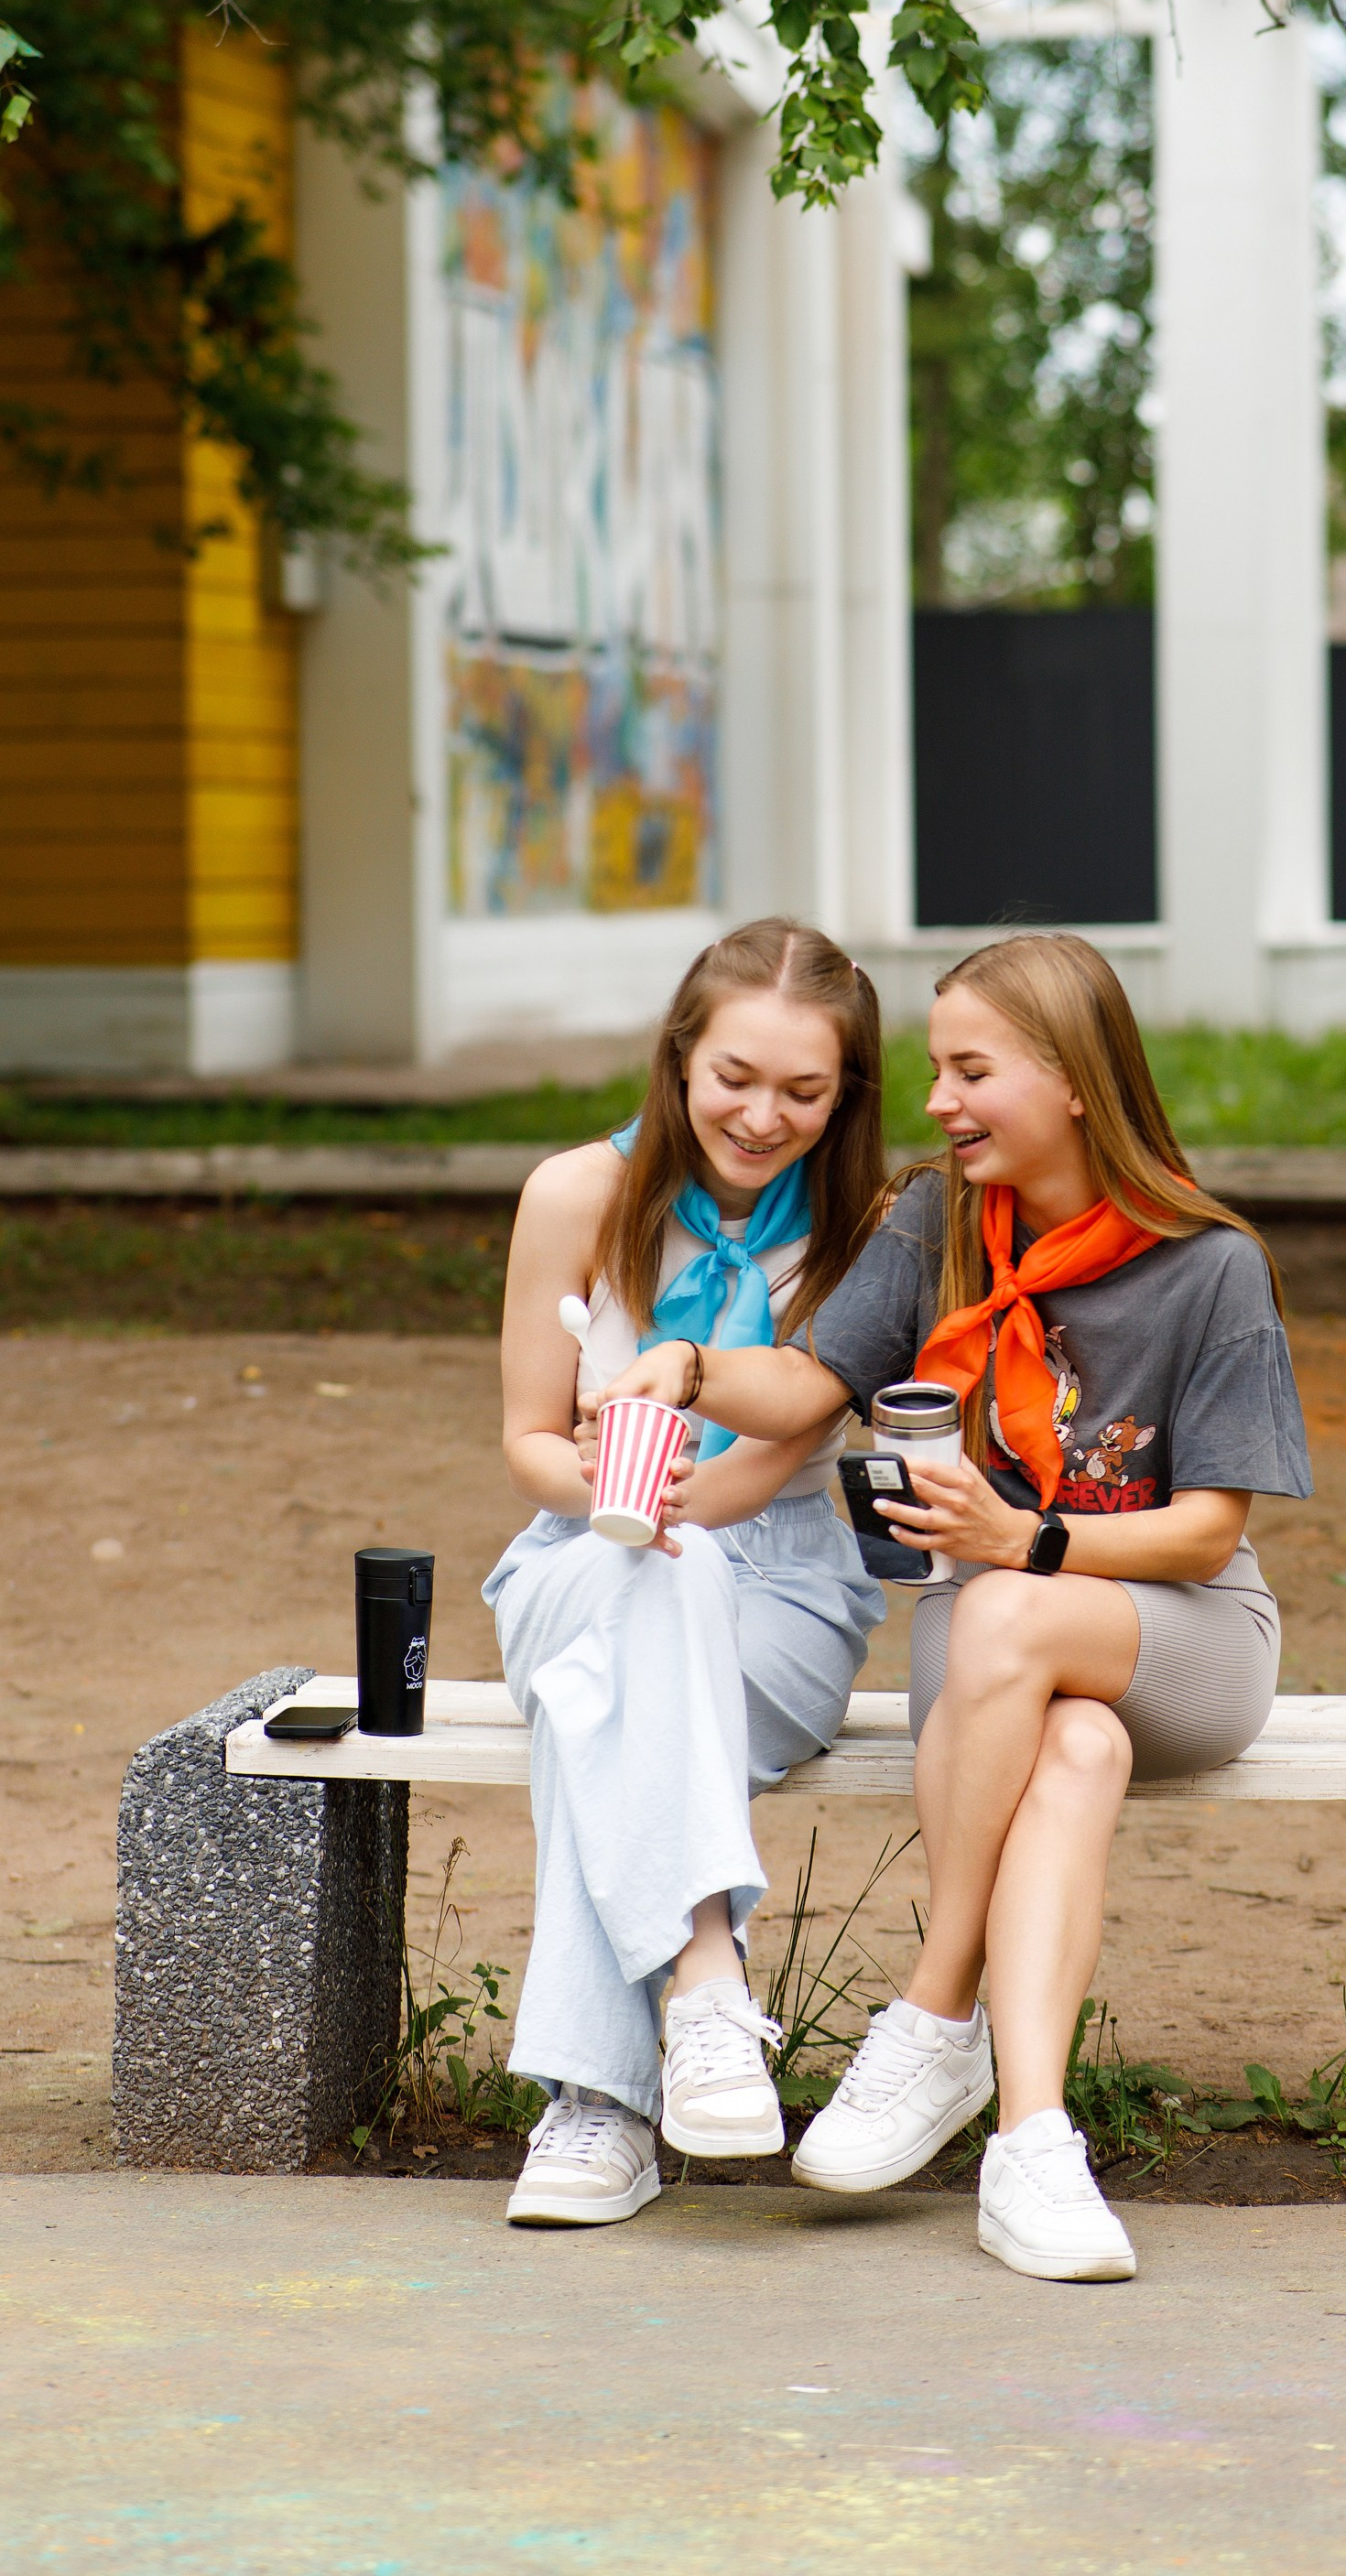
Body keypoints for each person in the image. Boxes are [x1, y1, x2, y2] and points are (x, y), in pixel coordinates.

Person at [591, 930, 1311, 2281]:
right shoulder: (935, 1224)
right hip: (995, 1663)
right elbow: (805, 1388)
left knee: (1001, 1614)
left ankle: (930, 2012)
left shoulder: (1208, 1265)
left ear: (1075, 1079)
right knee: (1073, 1746)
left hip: (1177, 1633)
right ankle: (1032, 2141)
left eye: (971, 1071)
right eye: (936, 1070)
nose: (936, 1101)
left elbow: (1210, 1532)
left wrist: (1022, 1541)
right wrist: (684, 1365)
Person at [488, 917, 889, 2227]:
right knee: (643, 1590)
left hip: (784, 1592)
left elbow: (758, 1471)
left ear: (846, 1095)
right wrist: (605, 1492)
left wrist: (656, 1501)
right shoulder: (573, 1195)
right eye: (734, 1077)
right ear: (677, 1059)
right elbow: (528, 1441)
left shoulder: (871, 1228)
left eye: (804, 1091)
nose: (763, 1117)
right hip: (574, 1560)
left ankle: (596, 2108)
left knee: (601, 1696)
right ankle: (706, 1984)